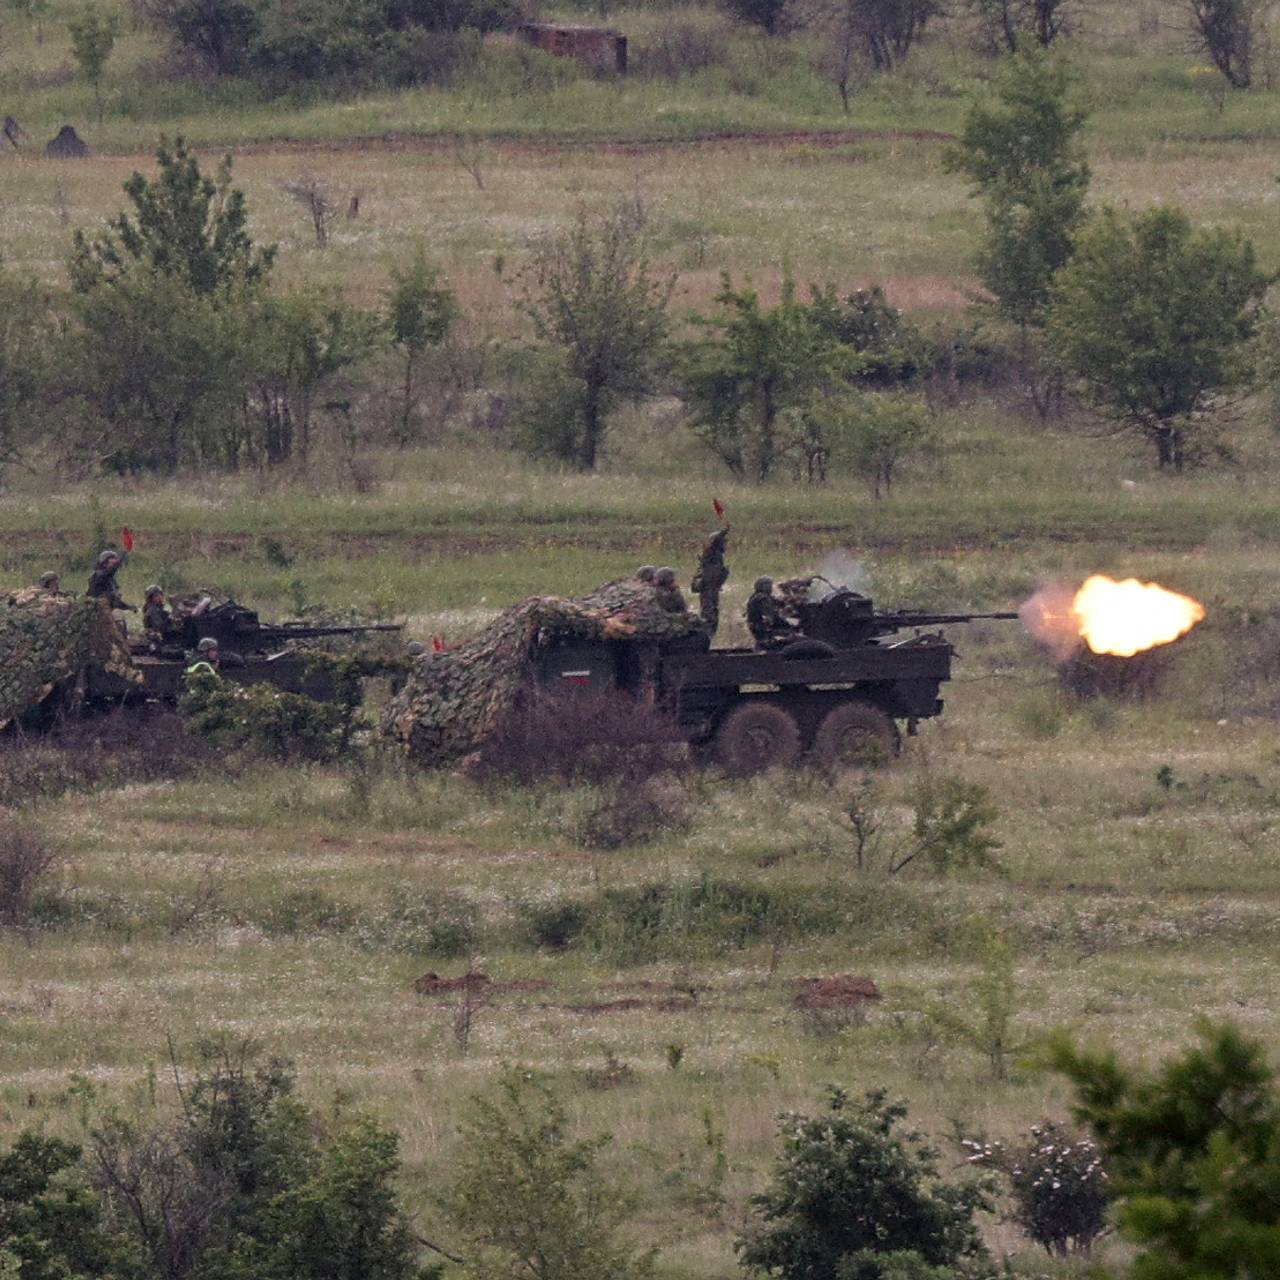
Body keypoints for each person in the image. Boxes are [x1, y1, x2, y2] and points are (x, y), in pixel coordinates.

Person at [691, 527, 730, 636]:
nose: (726, 546)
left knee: (713, 614)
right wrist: (725, 530)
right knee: (708, 615)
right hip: (707, 589)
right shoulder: (711, 552)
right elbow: (714, 541)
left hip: (713, 589)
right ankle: (704, 636)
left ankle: (709, 636)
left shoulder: (717, 556)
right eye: (724, 543)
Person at [746, 576, 797, 648]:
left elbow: (777, 602)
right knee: (795, 636)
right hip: (764, 631)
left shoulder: (755, 597)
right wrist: (788, 622)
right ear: (764, 586)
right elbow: (771, 618)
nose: (771, 588)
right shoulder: (763, 599)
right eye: (769, 585)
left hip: (758, 629)